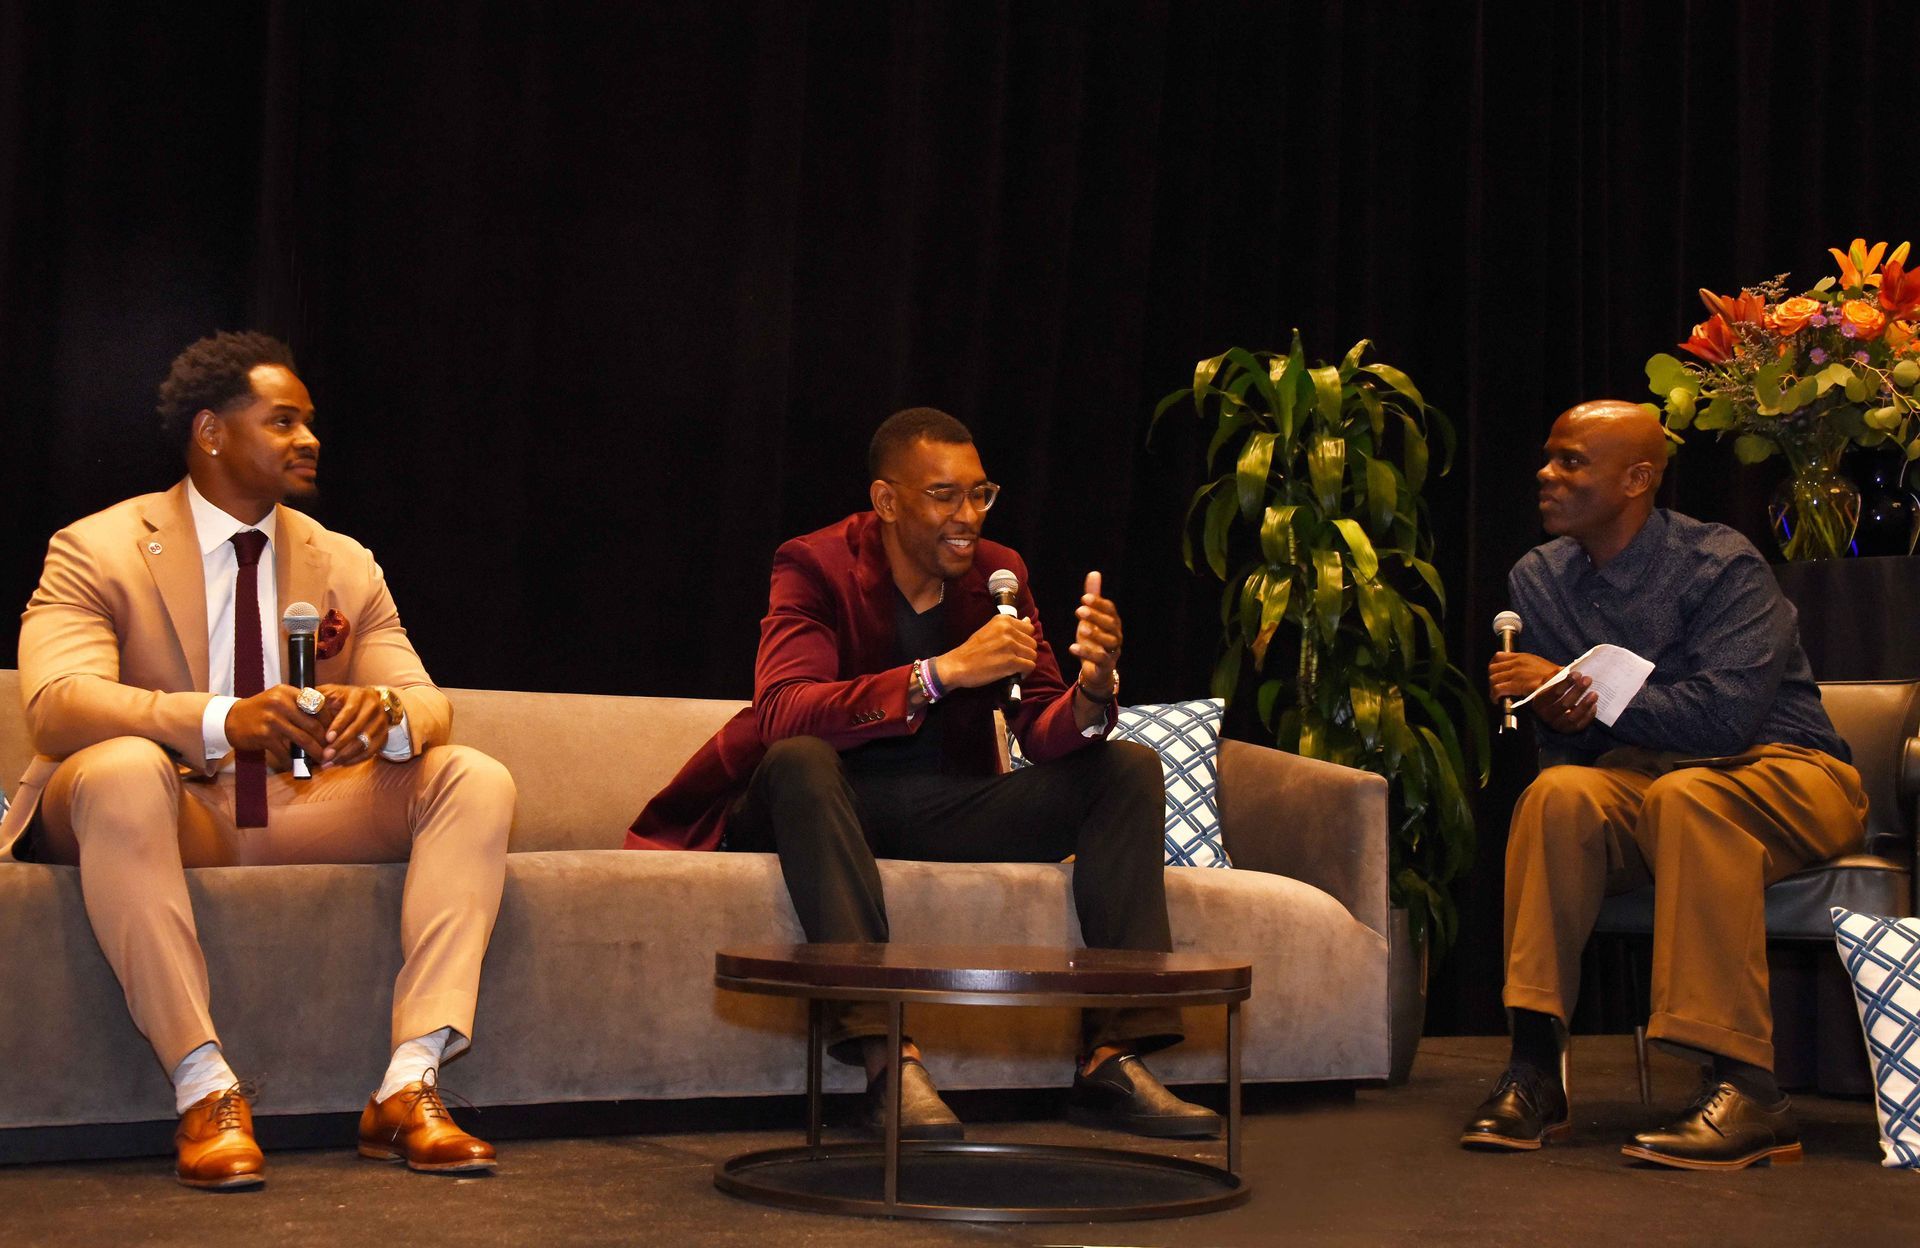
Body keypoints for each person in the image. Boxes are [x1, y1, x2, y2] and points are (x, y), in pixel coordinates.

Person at [0, 332, 517, 1189]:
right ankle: (204, 1088)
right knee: (126, 765)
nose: (308, 439)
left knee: (471, 775)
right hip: (152, 806)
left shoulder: (343, 560)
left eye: (311, 423)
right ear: (210, 431)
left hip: (294, 806)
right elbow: (57, 704)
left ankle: (409, 1083)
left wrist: (380, 715)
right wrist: (221, 720)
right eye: (283, 421)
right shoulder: (97, 546)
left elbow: (427, 699)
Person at [628, 407, 1218, 1140]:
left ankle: (1111, 1057)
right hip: (818, 803)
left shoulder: (1001, 577)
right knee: (801, 759)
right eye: (944, 496)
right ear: (887, 502)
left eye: (980, 494)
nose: (966, 517)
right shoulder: (813, 565)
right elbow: (784, 711)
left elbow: (1038, 722)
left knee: (1125, 768)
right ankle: (888, 1062)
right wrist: (935, 675)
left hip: (943, 804)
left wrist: (1093, 692)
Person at [1460, 400, 1866, 1170]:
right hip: (1642, 782)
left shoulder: (1722, 565)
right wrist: (1559, 706)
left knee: (1691, 797)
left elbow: (1726, 722)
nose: (1546, 474)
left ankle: (1751, 1091)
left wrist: (1590, 691)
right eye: (1549, 456)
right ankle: (1535, 1070)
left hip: (1786, 770)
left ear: (1638, 478)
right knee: (1556, 798)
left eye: (1571, 460)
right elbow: (1565, 749)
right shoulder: (1539, 579)